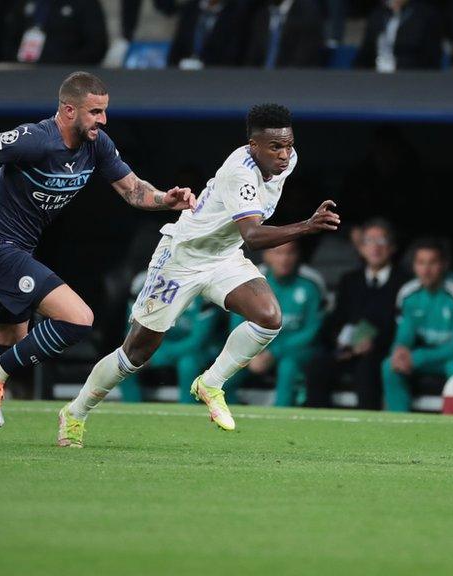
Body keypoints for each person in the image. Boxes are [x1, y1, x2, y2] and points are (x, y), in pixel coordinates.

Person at [0, 71, 196, 450]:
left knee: (7, 341)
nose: (102, 120)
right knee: (78, 318)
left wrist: (164, 199)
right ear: (69, 110)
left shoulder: (97, 145)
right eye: (95, 112)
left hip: (15, 250)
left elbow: (133, 190)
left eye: (105, 112)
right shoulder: (35, 139)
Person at [59, 103, 340, 447]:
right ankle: (76, 411)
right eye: (275, 147)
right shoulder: (240, 172)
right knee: (137, 352)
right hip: (181, 259)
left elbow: (244, 237)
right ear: (254, 146)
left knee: (269, 317)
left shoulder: (287, 163)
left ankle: (211, 383)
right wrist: (307, 226)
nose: (285, 155)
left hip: (223, 256)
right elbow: (253, 236)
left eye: (289, 145)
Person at [306, 218, 410, 409]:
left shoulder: (404, 282)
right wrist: (339, 339)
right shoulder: (349, 280)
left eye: (382, 241)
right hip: (348, 349)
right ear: (361, 247)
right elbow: (337, 317)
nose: (375, 248)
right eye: (369, 241)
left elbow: (402, 324)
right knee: (317, 365)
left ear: (393, 247)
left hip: (380, 350)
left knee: (367, 368)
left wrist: (374, 343)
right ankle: (318, 424)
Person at [224, 241, 324, 406]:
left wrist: (275, 352)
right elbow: (237, 322)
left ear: (298, 255)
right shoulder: (250, 281)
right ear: (267, 255)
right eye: (278, 253)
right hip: (256, 350)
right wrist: (251, 353)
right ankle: (227, 419)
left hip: (295, 350)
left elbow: (312, 330)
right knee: (224, 372)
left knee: (288, 367)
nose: (284, 259)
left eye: (290, 253)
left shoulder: (311, 283)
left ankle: (282, 420)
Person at [381, 238, 453, 412]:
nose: (426, 270)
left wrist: (418, 357)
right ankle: (397, 424)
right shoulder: (408, 294)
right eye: (421, 263)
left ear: (444, 265)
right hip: (430, 355)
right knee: (390, 365)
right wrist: (400, 350)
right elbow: (404, 335)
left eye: (432, 263)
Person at [118, 272, 219, 403]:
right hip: (157, 346)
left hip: (196, 350)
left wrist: (159, 354)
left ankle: (188, 415)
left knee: (187, 365)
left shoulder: (204, 283)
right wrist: (144, 350)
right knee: (126, 363)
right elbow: (132, 331)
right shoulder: (143, 283)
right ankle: (132, 414)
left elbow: (197, 341)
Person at [4, 0, 109, 65]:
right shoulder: (24, 3)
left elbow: (97, 45)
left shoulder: (84, 3)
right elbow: (9, 37)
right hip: (23, 72)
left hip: (65, 75)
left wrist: (64, 65)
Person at [354, 0, 443, 72]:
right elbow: (364, 56)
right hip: (377, 76)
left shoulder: (425, 16)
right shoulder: (378, 15)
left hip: (411, 77)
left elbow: (431, 60)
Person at [241, 0, 326, 69]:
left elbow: (304, 61)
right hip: (258, 82)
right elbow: (251, 59)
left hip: (293, 81)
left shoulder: (309, 13)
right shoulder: (261, 14)